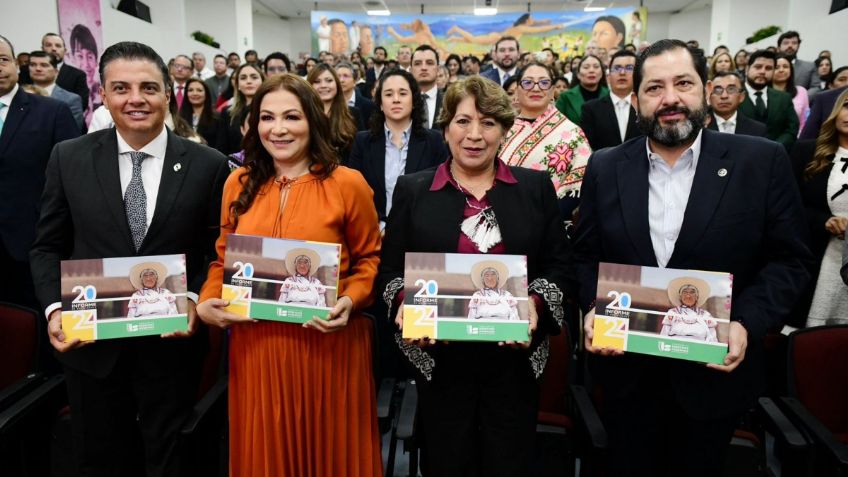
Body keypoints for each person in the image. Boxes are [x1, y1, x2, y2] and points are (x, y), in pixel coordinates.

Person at [574, 39, 813, 477]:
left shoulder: (760, 161)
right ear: (637, 97)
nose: (670, 99)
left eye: (683, 83)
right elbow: (585, 257)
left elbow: (790, 261)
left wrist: (746, 323)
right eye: (654, 88)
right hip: (626, 377)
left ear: (705, 89)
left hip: (713, 379)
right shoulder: (605, 167)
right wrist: (592, 306)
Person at [29, 41, 229, 476]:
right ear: (103, 94)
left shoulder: (208, 164)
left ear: (167, 93)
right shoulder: (69, 157)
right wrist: (54, 309)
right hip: (92, 348)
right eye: (121, 88)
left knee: (171, 460)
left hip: (171, 350)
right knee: (101, 460)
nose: (135, 99)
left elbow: (217, 249)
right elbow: (47, 246)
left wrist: (194, 296)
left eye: (148, 88)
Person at [376, 76, 572, 476]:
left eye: (488, 123)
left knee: (509, 461)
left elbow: (559, 266)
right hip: (439, 359)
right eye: (463, 122)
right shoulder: (413, 189)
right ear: (445, 127)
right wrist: (402, 303)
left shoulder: (534, 188)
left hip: (514, 362)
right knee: (448, 461)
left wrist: (535, 305)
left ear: (504, 129)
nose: (475, 135)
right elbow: (391, 271)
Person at [196, 73, 382, 476]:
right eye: (267, 117)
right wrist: (209, 299)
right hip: (258, 346)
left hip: (328, 347)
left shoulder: (347, 184)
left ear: (313, 121)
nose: (278, 129)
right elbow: (222, 259)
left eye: (291, 117)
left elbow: (369, 261)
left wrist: (350, 299)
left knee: (331, 454)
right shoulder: (237, 183)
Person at [0, 36, 79, 310]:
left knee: (36, 328)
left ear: (16, 64)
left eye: (3, 59)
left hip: (34, 241)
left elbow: (73, 178)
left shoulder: (52, 111)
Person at [347, 69, 448, 228]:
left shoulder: (434, 141)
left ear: (414, 100)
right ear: (380, 103)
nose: (396, 99)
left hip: (420, 233)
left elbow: (440, 193)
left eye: (402, 93)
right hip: (373, 231)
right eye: (388, 94)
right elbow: (353, 191)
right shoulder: (363, 142)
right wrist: (379, 226)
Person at [501, 61, 591, 221]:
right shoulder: (503, 130)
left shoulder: (572, 133)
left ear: (551, 91)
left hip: (552, 223)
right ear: (518, 90)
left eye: (544, 82)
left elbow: (578, 185)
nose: (536, 88)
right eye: (528, 82)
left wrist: (545, 219)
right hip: (504, 217)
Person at [792, 89, 848, 328]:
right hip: (816, 258)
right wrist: (823, 221)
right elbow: (787, 207)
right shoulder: (806, 152)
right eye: (847, 105)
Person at [738, 49, 798, 150]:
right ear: (747, 69)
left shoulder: (784, 98)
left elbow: (791, 129)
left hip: (775, 157)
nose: (762, 71)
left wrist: (774, 148)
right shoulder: (733, 95)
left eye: (768, 68)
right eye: (758, 67)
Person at [581, 50, 640, 150]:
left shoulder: (645, 107)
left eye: (629, 68)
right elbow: (587, 148)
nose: (622, 73)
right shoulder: (591, 109)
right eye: (617, 68)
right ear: (608, 76)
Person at [307, 63, 360, 159]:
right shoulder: (304, 115)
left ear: (337, 84)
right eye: (317, 81)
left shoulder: (353, 113)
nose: (323, 85)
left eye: (329, 81)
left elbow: (360, 151)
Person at [28, 50, 84, 131]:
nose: (38, 69)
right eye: (33, 65)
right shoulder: (18, 95)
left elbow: (71, 132)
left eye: (44, 65)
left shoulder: (71, 99)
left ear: (56, 71)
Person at [216, 62, 264, 154]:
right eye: (243, 78)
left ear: (262, 81)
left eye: (254, 77)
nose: (249, 81)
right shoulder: (227, 112)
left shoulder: (270, 111)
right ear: (237, 85)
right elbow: (221, 148)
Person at [39, 32, 90, 114]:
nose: (54, 49)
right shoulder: (30, 73)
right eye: (49, 45)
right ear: (42, 49)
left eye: (58, 46)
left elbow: (81, 104)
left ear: (65, 51)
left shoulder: (77, 75)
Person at [707, 71, 767, 137]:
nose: (724, 96)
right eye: (717, 90)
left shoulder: (757, 129)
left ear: (742, 96)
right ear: (708, 96)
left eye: (731, 89)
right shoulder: (699, 127)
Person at [659, 278, 718, 343]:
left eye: (692, 292)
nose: (688, 295)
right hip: (676, 346)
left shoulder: (705, 315)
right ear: (680, 297)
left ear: (697, 297)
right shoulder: (673, 313)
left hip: (699, 347)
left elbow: (713, 337)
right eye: (685, 292)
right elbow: (664, 334)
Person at [556, 54, 608, 125]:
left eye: (596, 67)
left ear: (602, 73)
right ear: (578, 74)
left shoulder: (610, 95)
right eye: (586, 67)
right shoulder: (565, 97)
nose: (591, 70)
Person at [69, 24, 100, 124]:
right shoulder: (68, 93)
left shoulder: (104, 91)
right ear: (72, 58)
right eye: (80, 56)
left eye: (90, 56)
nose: (86, 64)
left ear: (96, 61)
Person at [773, 53, 810, 134]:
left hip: (797, 138)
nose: (781, 70)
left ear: (791, 70)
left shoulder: (801, 91)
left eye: (785, 67)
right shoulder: (765, 92)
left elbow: (805, 120)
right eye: (776, 67)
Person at [411, 45, 444, 130]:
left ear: (438, 69)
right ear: (411, 70)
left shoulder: (449, 101)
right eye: (417, 64)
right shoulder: (402, 101)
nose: (424, 68)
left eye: (429, 63)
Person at [180, 77, 219, 146]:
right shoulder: (180, 117)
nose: (195, 93)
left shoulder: (217, 118)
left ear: (206, 93)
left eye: (199, 90)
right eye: (190, 90)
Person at [336, 61, 374, 129]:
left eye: (346, 76)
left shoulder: (369, 105)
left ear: (355, 81)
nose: (341, 80)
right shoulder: (329, 103)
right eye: (338, 76)